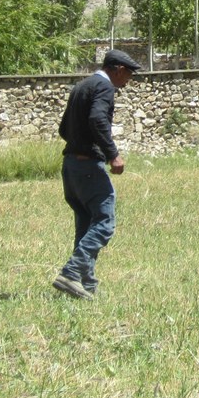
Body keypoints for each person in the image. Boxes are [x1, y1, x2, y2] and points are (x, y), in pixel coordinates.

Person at [52, 48, 141, 299]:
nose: (128, 81)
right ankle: (71, 272)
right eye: (129, 75)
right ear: (118, 70)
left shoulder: (81, 86)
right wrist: (113, 154)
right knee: (104, 223)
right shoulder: (105, 88)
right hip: (88, 168)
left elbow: (63, 129)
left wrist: (79, 146)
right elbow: (98, 120)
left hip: (70, 167)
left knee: (86, 225)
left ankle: (84, 284)